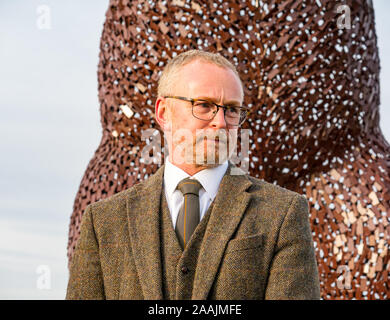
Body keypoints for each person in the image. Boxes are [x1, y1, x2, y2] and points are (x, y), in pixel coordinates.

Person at [66, 50, 320, 300]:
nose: (220, 122)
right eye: (204, 105)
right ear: (164, 113)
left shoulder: (283, 213)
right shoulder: (103, 222)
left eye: (231, 109)